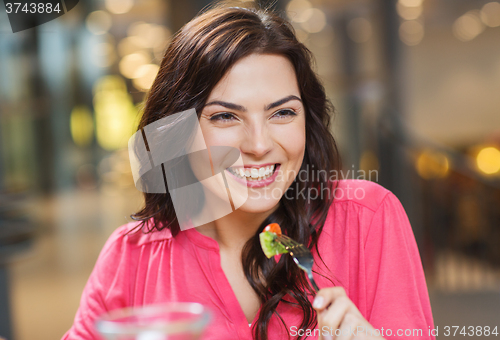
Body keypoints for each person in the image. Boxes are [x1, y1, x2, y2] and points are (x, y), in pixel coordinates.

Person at [63, 3, 435, 340]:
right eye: (226, 116)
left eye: (282, 113)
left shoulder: (366, 219)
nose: (258, 144)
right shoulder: (134, 256)